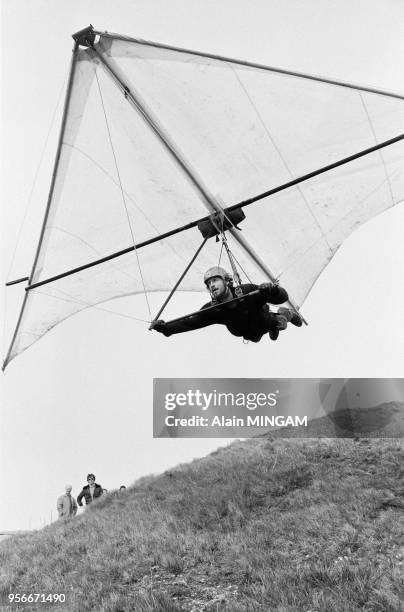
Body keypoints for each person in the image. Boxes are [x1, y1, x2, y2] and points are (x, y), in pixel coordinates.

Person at [152, 266, 302, 342]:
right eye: (209, 283)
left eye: (215, 280)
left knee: (277, 324)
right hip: (250, 333)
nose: (211, 285)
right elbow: (190, 323)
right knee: (254, 338)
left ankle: (284, 315)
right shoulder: (214, 310)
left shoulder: (246, 291)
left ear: (226, 281)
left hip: (262, 320)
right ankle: (275, 325)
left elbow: (282, 297)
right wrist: (166, 329)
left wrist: (272, 291)